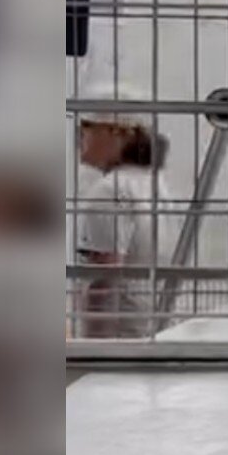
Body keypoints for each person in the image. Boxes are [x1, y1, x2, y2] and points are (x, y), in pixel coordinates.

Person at [73, 82, 174, 338]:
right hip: (149, 329)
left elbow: (104, 278)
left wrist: (90, 347)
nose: (79, 136)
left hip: (115, 337)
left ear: (116, 133)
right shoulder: (153, 183)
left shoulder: (110, 191)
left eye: (87, 127)